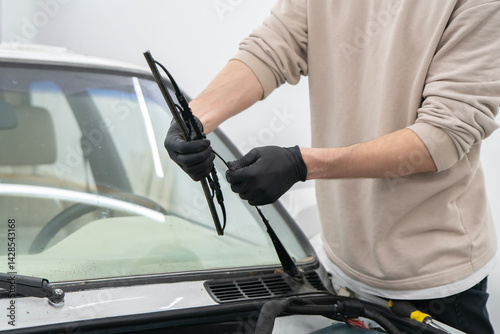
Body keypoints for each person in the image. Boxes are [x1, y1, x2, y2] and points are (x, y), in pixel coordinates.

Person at [165, 0, 500, 332]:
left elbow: (442, 137)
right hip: (340, 264)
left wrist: (302, 164)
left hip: (432, 286)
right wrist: (195, 118)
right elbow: (275, 46)